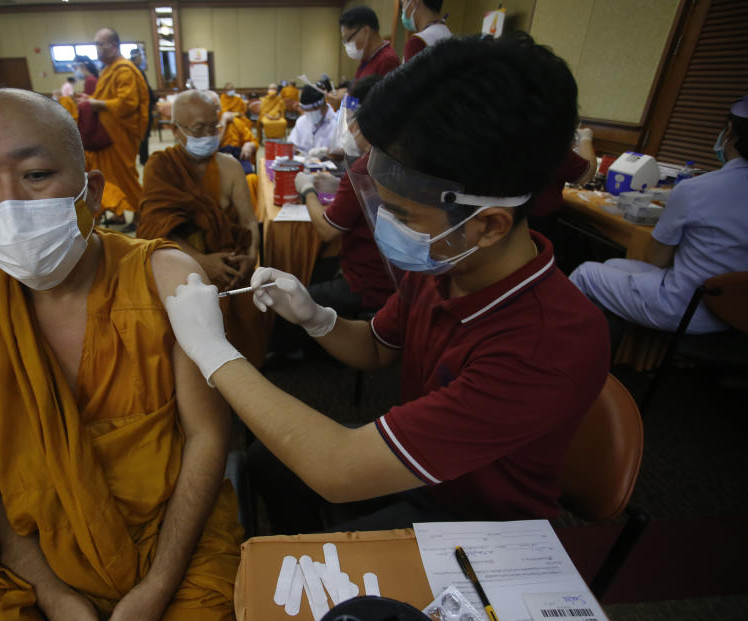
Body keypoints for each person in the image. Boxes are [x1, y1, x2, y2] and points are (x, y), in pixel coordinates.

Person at [163, 34, 609, 533]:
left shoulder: (547, 341)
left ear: (488, 225)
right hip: (431, 472)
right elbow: (378, 347)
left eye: (400, 213)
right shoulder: (445, 264)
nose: (383, 227)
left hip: (480, 525)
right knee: (270, 466)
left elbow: (339, 469)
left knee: (314, 488)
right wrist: (316, 317)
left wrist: (213, 351)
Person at [0, 88, 242, 621]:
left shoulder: (164, 280)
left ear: (93, 188)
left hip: (174, 543)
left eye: (36, 175)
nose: (8, 205)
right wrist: (55, 599)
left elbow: (207, 438)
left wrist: (157, 587)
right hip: (26, 563)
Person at [569, 95, 748, 336]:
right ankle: (607, 341)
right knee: (613, 265)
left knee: (585, 273)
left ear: (729, 134)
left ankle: (561, 347)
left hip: (688, 307)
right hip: (737, 310)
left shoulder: (696, 189)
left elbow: (657, 260)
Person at [138, 90, 265, 366]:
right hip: (179, 269)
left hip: (229, 269)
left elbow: (248, 222)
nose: (208, 135)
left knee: (243, 337)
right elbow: (156, 232)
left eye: (213, 127)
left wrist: (251, 256)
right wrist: (203, 262)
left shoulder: (230, 167)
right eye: (198, 129)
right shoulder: (159, 168)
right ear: (176, 130)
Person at [293, 74, 395, 319]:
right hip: (391, 273)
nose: (348, 129)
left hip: (368, 281)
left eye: (350, 122)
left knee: (296, 296)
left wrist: (307, 190)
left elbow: (328, 230)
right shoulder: (391, 158)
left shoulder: (364, 167)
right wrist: (339, 183)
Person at [78, 27, 150, 230]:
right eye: (96, 45)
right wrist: (90, 100)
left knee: (126, 176)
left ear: (114, 45)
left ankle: (140, 216)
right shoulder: (108, 70)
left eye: (100, 45)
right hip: (108, 134)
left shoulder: (124, 69)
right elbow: (106, 99)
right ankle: (118, 214)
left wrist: (95, 104)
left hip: (120, 134)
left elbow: (128, 103)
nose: (97, 50)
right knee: (107, 176)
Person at [340, 6, 400, 79]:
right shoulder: (367, 58)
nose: (348, 45)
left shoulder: (387, 62)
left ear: (366, 31)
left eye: (349, 39)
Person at [288, 85, 338, 157]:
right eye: (306, 110)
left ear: (323, 104)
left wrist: (326, 151)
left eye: (314, 109)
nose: (310, 113)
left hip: (330, 166)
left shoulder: (337, 122)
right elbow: (293, 144)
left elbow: (345, 154)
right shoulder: (301, 122)